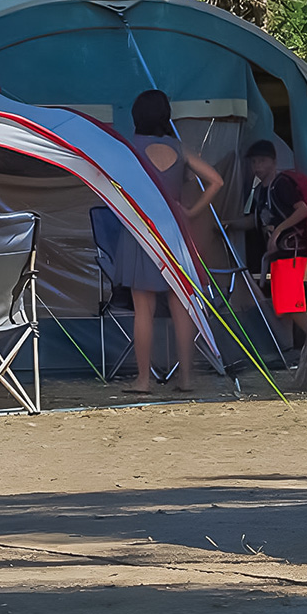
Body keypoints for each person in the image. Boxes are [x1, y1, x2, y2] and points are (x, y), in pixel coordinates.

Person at [114, 90, 223, 394]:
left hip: (141, 233)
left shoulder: (130, 148)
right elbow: (217, 180)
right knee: (182, 306)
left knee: (143, 310)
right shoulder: (180, 148)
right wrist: (191, 211)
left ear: (137, 116)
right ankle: (186, 379)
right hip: (176, 233)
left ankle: (144, 380)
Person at [242, 139, 307, 344]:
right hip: (277, 255)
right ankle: (289, 349)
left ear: (273, 161)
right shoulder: (260, 191)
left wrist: (278, 232)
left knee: (293, 307)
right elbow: (254, 221)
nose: (257, 167)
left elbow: (303, 210)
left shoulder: (282, 184)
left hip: (291, 252)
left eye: (262, 161)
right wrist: (226, 224)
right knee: (283, 309)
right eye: (254, 163)